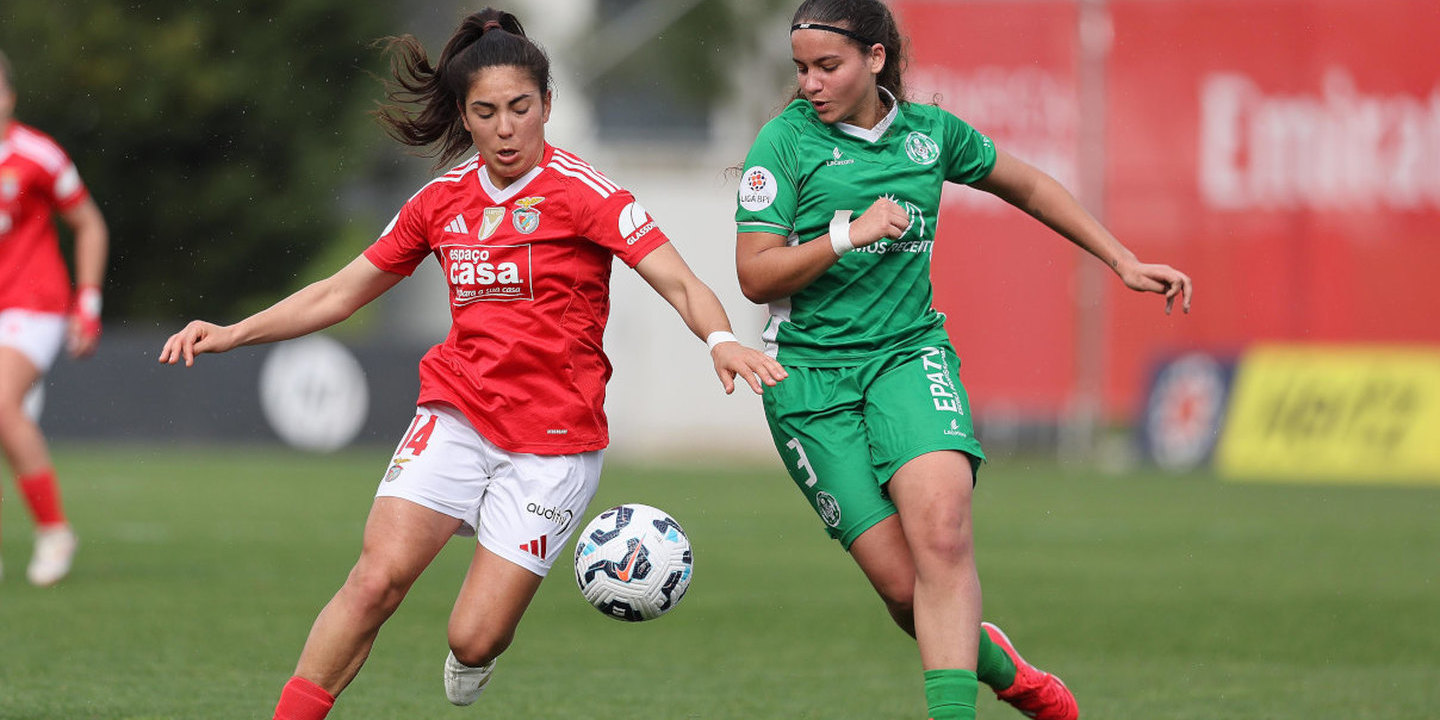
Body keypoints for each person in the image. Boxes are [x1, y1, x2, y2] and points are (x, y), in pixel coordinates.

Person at [159, 9, 785, 720]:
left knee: (475, 633)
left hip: (554, 444)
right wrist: (234, 332)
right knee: (375, 582)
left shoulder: (587, 193)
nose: (506, 128)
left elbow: (679, 280)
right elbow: (340, 291)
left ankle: (473, 656)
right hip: (457, 415)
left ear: (547, 105)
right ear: (464, 114)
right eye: (485, 112)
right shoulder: (440, 201)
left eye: (520, 108)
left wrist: (720, 340)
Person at [734, 2, 1193, 720]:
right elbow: (755, 275)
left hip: (907, 356)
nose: (812, 84)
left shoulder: (930, 135)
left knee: (943, 535)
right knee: (901, 588)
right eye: (802, 69)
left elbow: (1031, 185)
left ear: (876, 59)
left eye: (829, 66)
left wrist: (1122, 259)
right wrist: (849, 235)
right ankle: (1007, 671)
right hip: (809, 384)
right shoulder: (783, 145)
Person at [0, 49, 109, 586]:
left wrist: (87, 301)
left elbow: (89, 223)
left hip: (34, 303)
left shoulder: (37, 154)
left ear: (9, 96)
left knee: (0, 402)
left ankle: (54, 531)